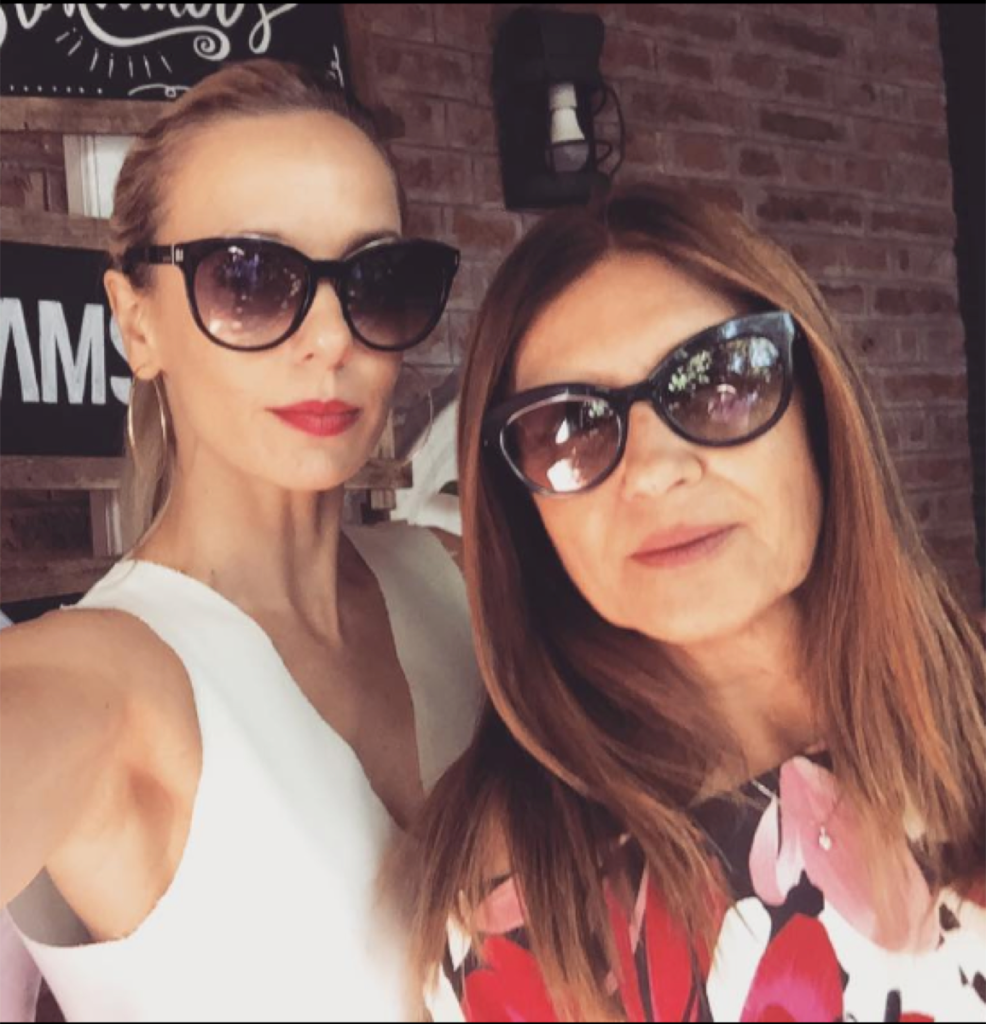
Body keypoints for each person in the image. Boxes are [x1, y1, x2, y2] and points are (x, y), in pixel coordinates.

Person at [401, 183, 986, 1022]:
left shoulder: (968, 701)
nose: (654, 471)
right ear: (526, 516)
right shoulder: (525, 898)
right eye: (569, 429)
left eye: (719, 384)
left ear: (819, 410)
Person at [0, 59, 481, 1023]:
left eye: (376, 280)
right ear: (137, 323)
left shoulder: (464, 578)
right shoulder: (88, 684)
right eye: (250, 280)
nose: (332, 338)